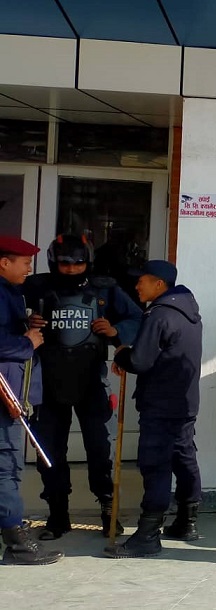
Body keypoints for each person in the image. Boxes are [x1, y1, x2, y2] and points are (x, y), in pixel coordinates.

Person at [23, 234, 142, 540]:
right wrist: (27, 325)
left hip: (91, 381)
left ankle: (108, 510)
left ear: (88, 262)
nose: (72, 269)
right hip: (48, 383)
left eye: (78, 264)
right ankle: (57, 515)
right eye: (65, 264)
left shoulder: (105, 288)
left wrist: (115, 331)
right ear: (54, 262)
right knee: (49, 451)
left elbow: (137, 317)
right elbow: (9, 315)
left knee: (101, 448)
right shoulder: (36, 286)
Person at [105, 260, 203, 558]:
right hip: (184, 400)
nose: (137, 286)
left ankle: (148, 534)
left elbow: (140, 361)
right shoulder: (188, 311)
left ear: (159, 284)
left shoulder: (159, 315)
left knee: (156, 464)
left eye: (142, 281)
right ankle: (186, 520)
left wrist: (121, 355)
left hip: (160, 403)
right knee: (183, 456)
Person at [0, 236, 61, 565]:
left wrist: (26, 326)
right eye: (24, 262)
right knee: (5, 467)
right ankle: (17, 543)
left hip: (10, 392)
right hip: (3, 397)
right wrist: (27, 342)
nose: (29, 269)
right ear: (4, 263)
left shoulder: (10, 291)